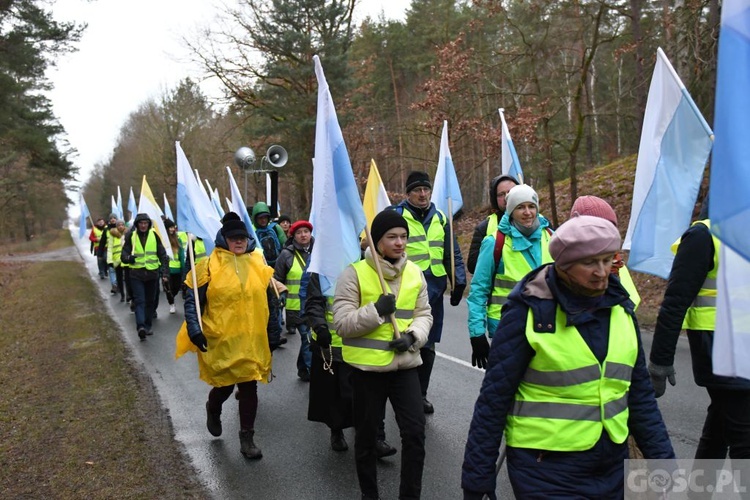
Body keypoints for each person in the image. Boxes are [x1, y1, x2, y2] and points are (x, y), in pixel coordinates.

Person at [462, 215, 675, 499]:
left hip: (611, 469)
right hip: (545, 471)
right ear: (563, 266)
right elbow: (493, 399)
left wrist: (664, 461)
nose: (601, 272)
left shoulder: (621, 310)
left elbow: (639, 396)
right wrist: (478, 478)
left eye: (607, 260)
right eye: (589, 263)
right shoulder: (527, 312)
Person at [333, 209, 433, 500]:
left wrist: (413, 336)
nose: (400, 243)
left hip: (405, 367)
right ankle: (370, 495)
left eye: (403, 236)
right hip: (367, 373)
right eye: (392, 237)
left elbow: (424, 314)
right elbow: (342, 324)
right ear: (377, 242)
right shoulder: (353, 274)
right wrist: (376, 311)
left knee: (415, 434)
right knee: (366, 440)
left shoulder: (415, 273)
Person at [648, 206, 750, 491]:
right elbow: (675, 302)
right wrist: (660, 360)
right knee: (745, 441)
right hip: (718, 350)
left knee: (719, 429)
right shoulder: (702, 236)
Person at [176, 212, 277, 460]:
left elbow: (271, 299)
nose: (238, 241)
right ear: (224, 238)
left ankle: (247, 437)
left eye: (242, 237)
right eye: (233, 238)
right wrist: (195, 329)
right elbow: (193, 303)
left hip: (252, 338)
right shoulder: (208, 265)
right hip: (221, 337)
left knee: (249, 384)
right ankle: (214, 407)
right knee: (224, 385)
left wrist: (274, 329)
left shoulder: (258, 263)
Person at [394, 171, 466, 414]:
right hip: (404, 292)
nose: (422, 194)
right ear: (408, 193)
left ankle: (420, 394)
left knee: (428, 345)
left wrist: (459, 281)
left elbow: (451, 252)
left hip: (435, 291)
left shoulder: (442, 218)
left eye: (425, 189)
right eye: (417, 190)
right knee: (403, 342)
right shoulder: (397, 215)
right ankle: (402, 395)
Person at [466, 184, 553, 369]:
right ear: (510, 211)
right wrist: (477, 334)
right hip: (506, 330)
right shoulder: (495, 243)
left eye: (531, 206)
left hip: (547, 329)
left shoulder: (552, 238)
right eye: (520, 207)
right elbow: (479, 291)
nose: (527, 212)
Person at [305, 271, 354, 452]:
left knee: (359, 393)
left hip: (359, 345)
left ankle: (373, 434)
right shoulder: (321, 274)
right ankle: (337, 430)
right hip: (331, 345)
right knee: (335, 393)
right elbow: (314, 303)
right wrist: (320, 326)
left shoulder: (363, 269)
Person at [570, 195, 641, 308]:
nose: (607, 235)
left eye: (610, 227)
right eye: (599, 228)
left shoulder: (617, 263)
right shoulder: (570, 272)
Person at [274, 219, 314, 380]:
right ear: (293, 236)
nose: (303, 235)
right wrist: (280, 297)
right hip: (295, 307)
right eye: (299, 232)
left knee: (308, 340)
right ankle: (313, 373)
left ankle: (303, 369)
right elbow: (277, 279)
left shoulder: (319, 252)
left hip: (315, 306)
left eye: (306, 231)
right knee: (308, 339)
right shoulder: (286, 254)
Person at [120, 213, 169, 340]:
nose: (143, 225)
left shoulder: (154, 235)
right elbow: (123, 256)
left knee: (150, 301)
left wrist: (164, 273)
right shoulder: (131, 236)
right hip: (136, 274)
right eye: (141, 223)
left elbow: (163, 255)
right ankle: (141, 326)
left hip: (152, 274)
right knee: (139, 300)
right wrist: (129, 258)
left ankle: (147, 326)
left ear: (148, 224)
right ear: (137, 224)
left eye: (145, 223)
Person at [466, 175, 519, 274]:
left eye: (511, 192)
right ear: (495, 199)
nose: (507, 197)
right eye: (501, 194)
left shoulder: (540, 223)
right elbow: (473, 266)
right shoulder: (484, 228)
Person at [252, 202, 287, 267]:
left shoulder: (275, 227)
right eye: (260, 218)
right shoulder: (251, 230)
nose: (263, 220)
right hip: (259, 265)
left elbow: (286, 246)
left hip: (278, 264)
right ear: (255, 218)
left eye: (265, 217)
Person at [163, 219, 185, 314]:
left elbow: (181, 254)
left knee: (176, 287)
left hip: (177, 268)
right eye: (170, 227)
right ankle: (171, 303)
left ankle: (173, 298)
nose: (172, 229)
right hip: (167, 270)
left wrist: (183, 267)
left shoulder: (178, 239)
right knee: (168, 288)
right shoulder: (163, 240)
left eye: (173, 227)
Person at [106, 219, 127, 302]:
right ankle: (122, 294)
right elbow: (110, 248)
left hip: (126, 259)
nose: (121, 226)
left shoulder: (127, 234)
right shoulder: (112, 235)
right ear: (117, 226)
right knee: (119, 278)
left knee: (128, 279)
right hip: (117, 261)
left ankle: (129, 294)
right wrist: (110, 261)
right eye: (119, 225)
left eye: (122, 225)